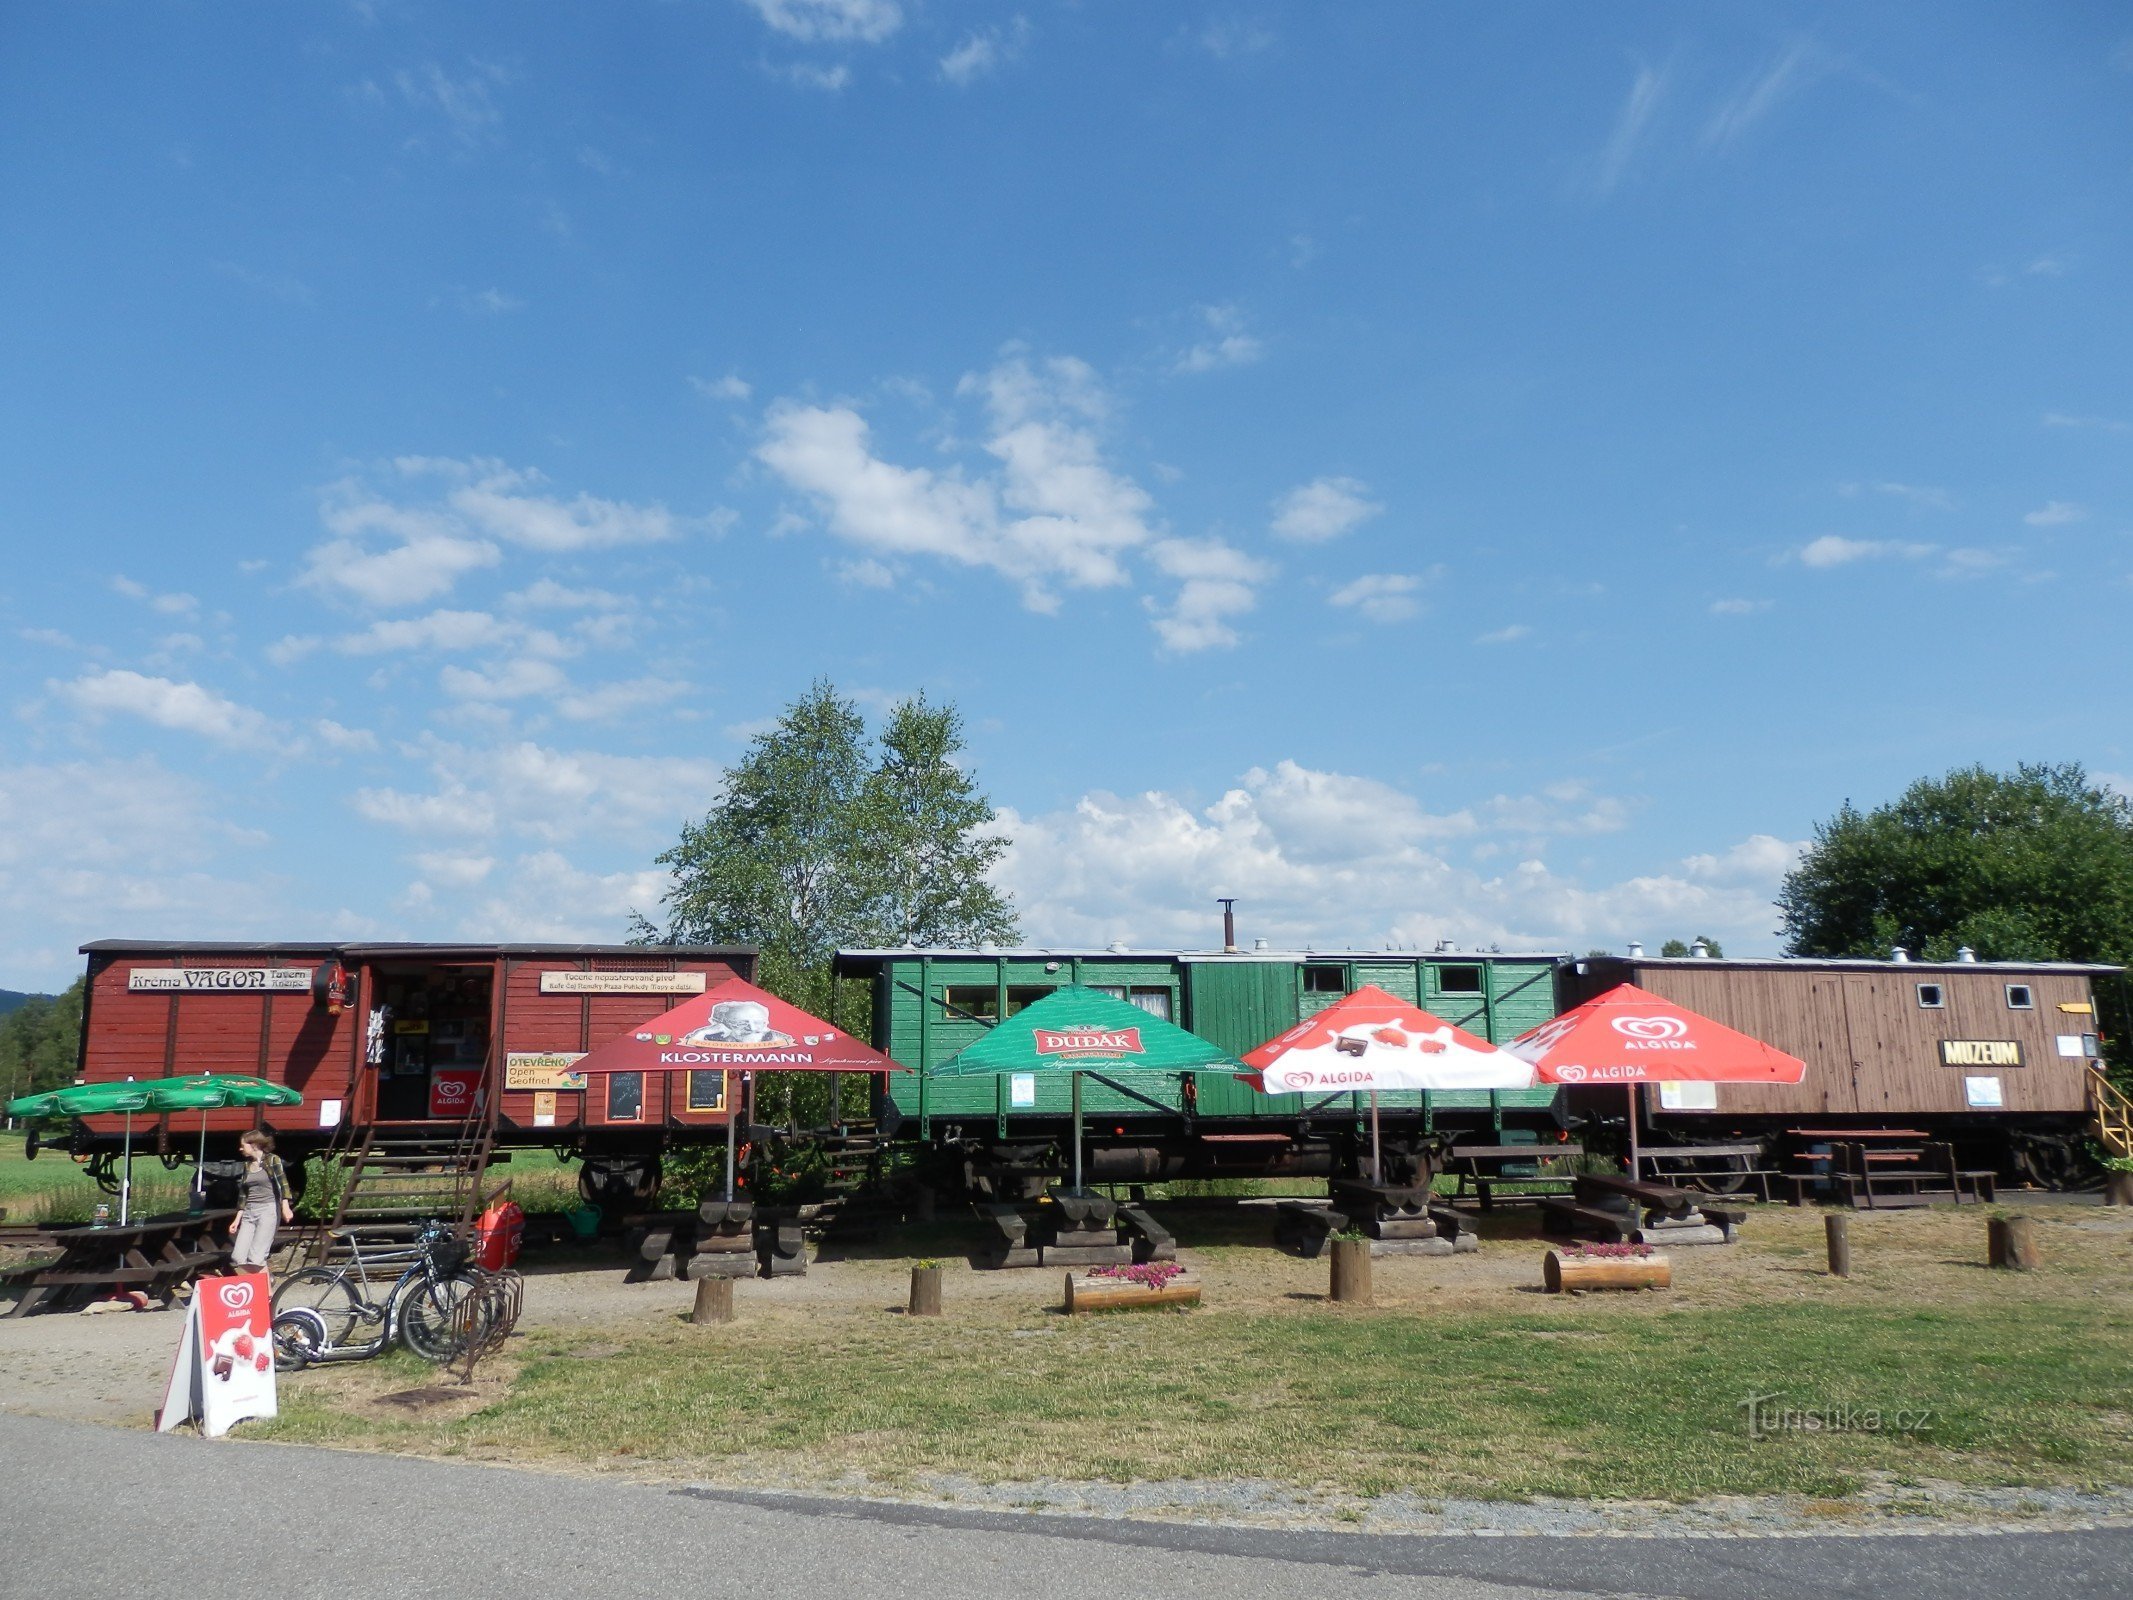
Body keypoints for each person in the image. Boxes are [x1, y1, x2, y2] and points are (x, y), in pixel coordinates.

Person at [229, 1130, 293, 1273]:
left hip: (267, 1210)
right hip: (249, 1213)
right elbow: (243, 1194)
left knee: (256, 1257)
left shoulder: (272, 1160)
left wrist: (285, 1207)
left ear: (254, 1145)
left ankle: (266, 1292)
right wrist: (237, 1219)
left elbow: (282, 1184)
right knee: (238, 1257)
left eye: (243, 1145)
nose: (240, 1149)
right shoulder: (247, 1166)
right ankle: (263, 1283)